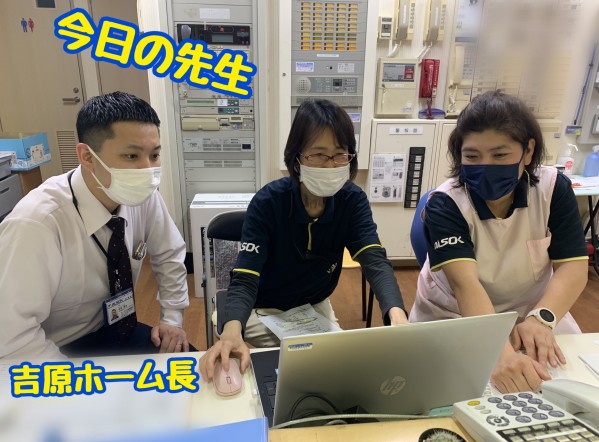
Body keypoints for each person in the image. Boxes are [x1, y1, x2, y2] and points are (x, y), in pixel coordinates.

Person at [200, 99, 408, 380]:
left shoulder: (352, 200)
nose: (330, 165)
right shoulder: (268, 202)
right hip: (261, 308)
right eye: (318, 154)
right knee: (256, 369)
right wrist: (232, 329)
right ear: (297, 157)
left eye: (339, 154)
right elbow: (246, 276)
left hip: (312, 308)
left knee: (333, 373)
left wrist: (396, 315)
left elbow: (375, 262)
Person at [409, 90, 588, 393]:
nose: (486, 166)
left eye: (500, 155)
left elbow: (573, 267)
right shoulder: (446, 204)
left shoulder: (552, 189)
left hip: (531, 311)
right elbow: (466, 285)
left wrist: (542, 319)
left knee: (570, 385)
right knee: (462, 392)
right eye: (472, 156)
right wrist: (499, 353)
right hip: (457, 314)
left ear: (528, 151)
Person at [0, 92, 192, 359]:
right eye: (131, 156)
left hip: (119, 329)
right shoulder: (37, 223)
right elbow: (13, 335)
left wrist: (172, 319)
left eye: (155, 155)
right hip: (54, 349)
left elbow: (169, 254)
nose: (147, 170)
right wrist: (72, 380)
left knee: (196, 371)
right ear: (87, 157)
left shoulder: (143, 196)